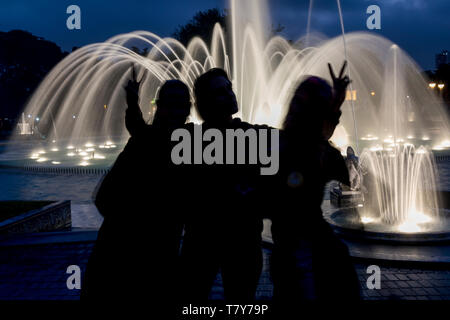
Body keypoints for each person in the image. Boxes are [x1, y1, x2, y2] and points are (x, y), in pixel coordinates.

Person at [81, 69, 192, 304]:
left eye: (180, 104)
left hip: (158, 250)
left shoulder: (191, 144)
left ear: (188, 110)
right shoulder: (143, 142)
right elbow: (105, 196)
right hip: (122, 248)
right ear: (159, 107)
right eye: (169, 103)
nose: (174, 110)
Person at [269, 62, 360, 307]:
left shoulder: (282, 146)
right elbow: (355, 179)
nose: (295, 108)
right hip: (309, 249)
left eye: (300, 104)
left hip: (302, 250)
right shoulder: (318, 150)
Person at [179, 68, 268, 302]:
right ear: (206, 102)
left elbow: (295, 142)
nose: (230, 94)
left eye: (229, 88)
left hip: (244, 244)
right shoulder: (189, 141)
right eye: (220, 91)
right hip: (201, 244)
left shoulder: (254, 135)